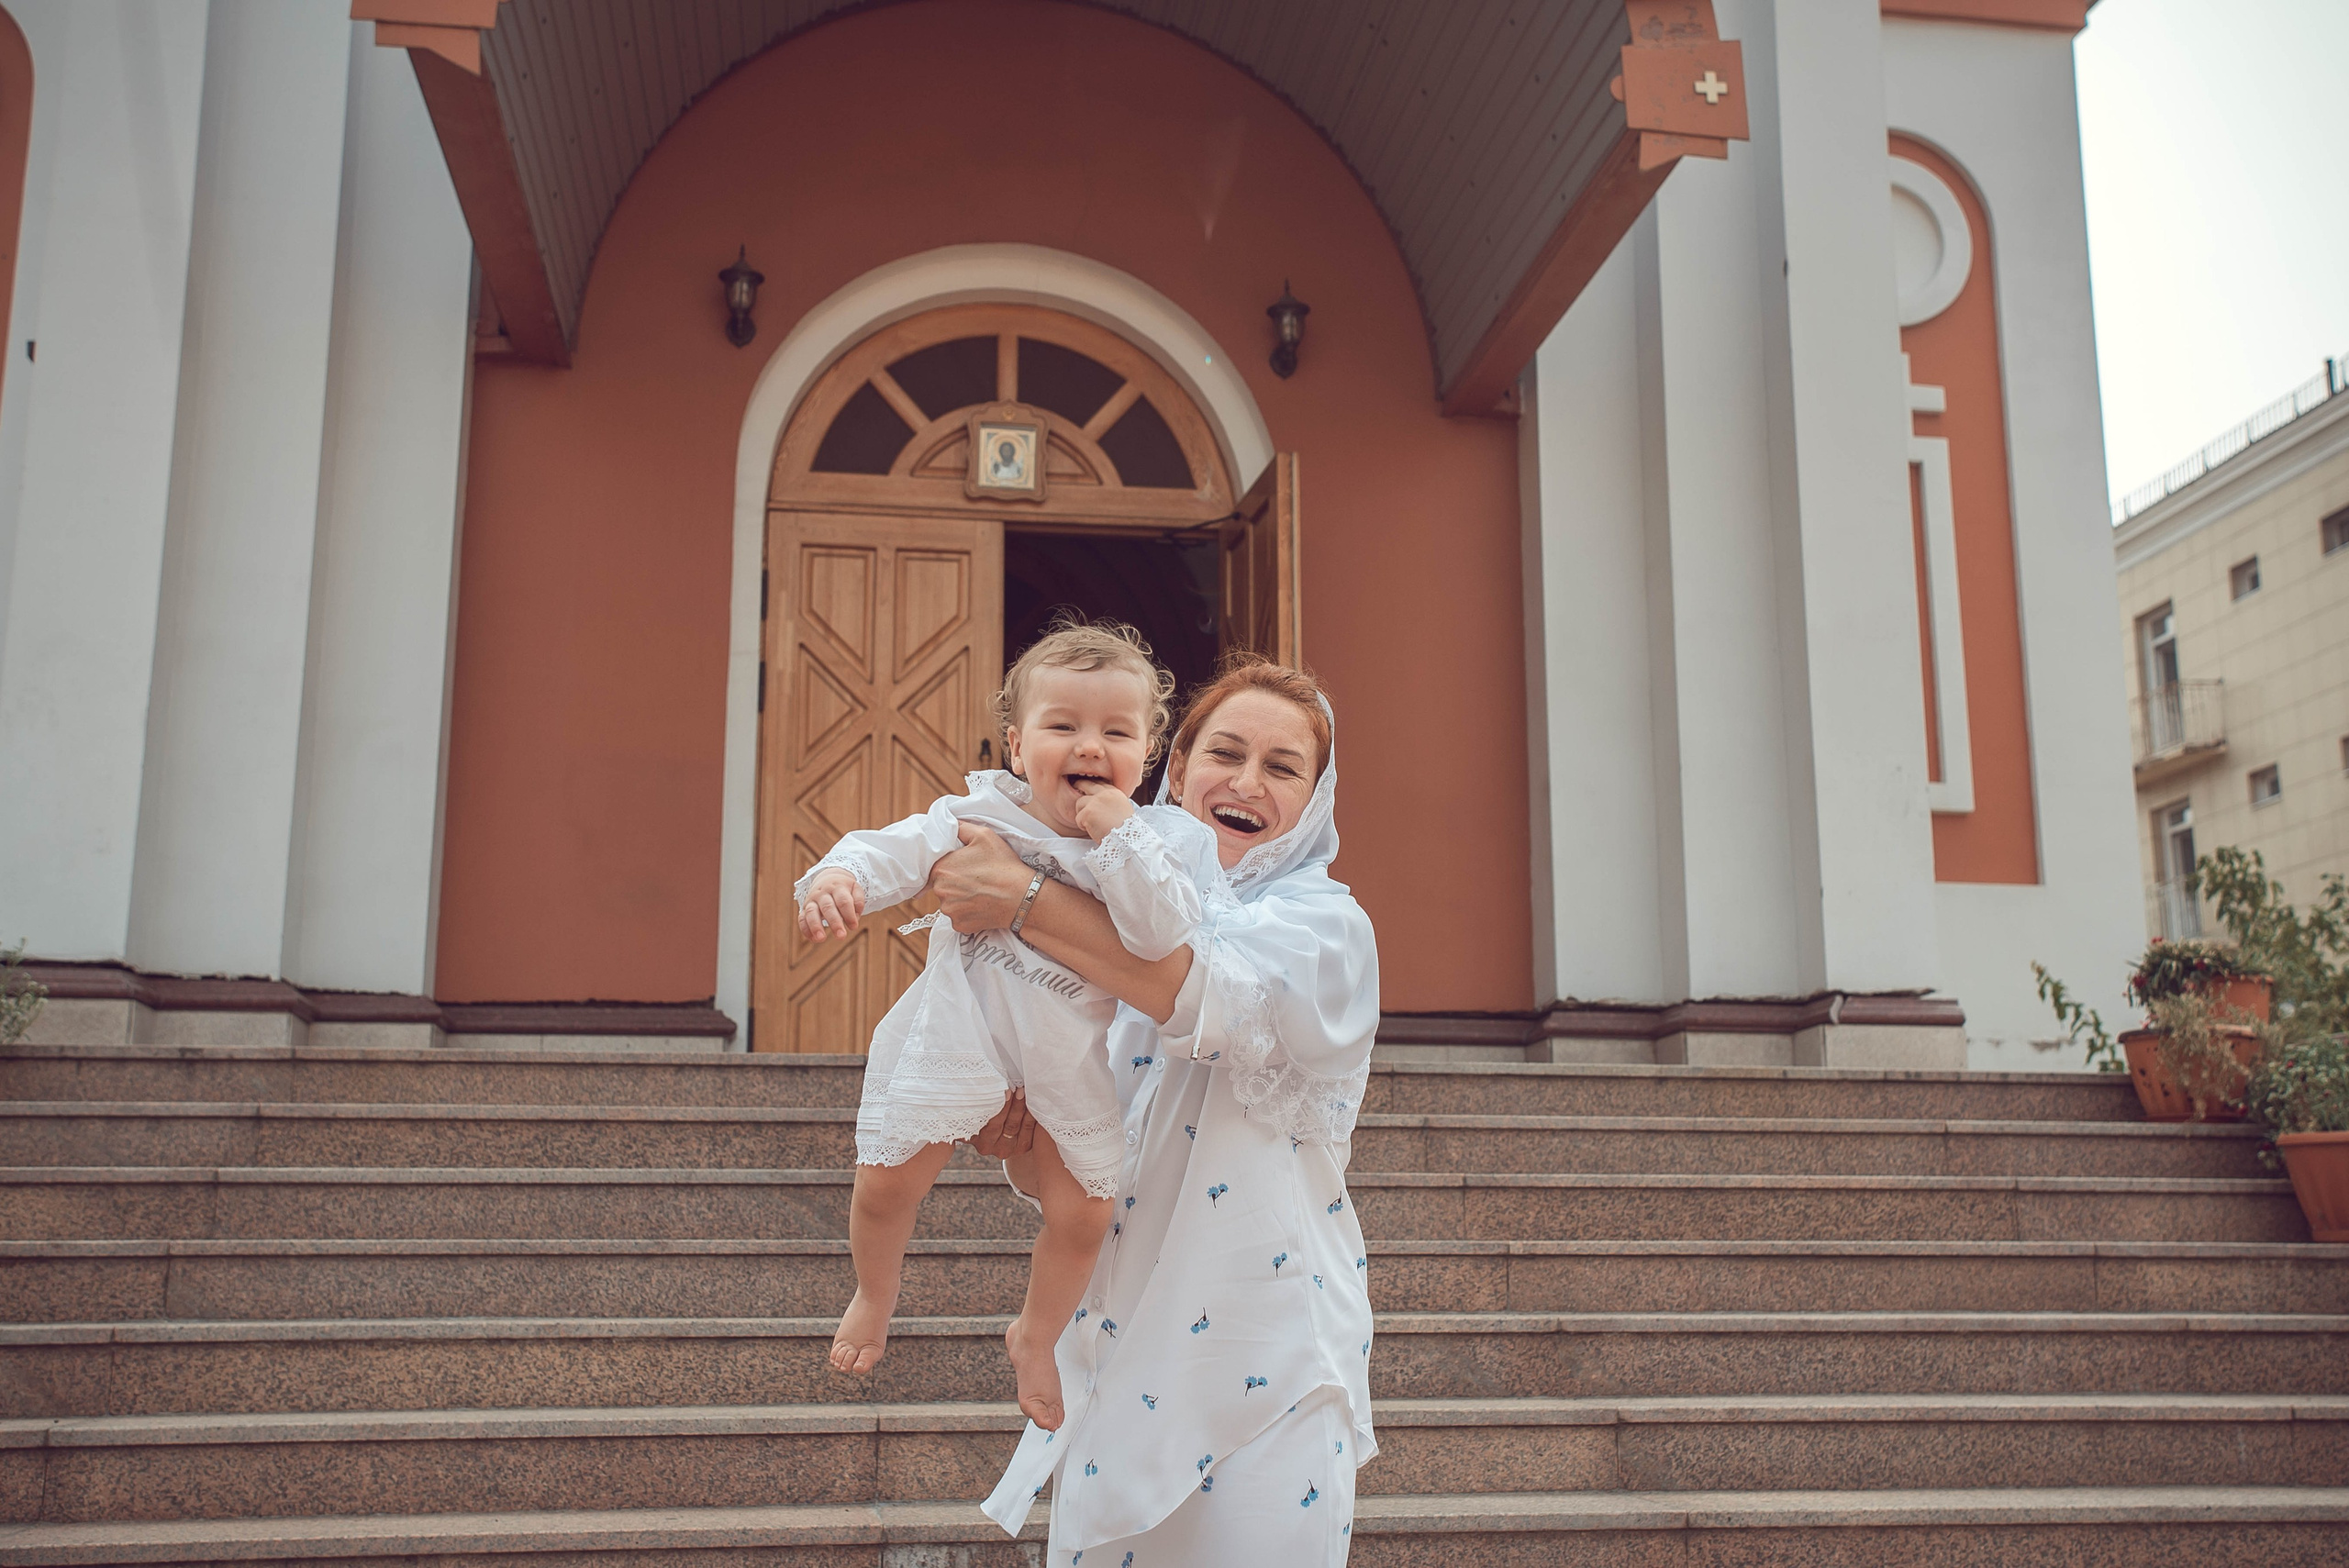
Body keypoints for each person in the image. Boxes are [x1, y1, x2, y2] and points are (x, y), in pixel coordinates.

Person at [937, 656, 1377, 1565]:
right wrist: (1018, 1144)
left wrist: (1025, 899)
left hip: (1268, 1358)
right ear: (1174, 770)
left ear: (1316, 798)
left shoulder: (1327, 929)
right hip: (1122, 1354)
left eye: (1283, 766)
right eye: (1225, 751)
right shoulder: (1113, 913)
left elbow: (1204, 992)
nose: (1246, 782)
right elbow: (1094, 1146)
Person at [796, 621, 1222, 1430]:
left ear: (1149, 756)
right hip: (957, 1036)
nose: (1088, 745)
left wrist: (1118, 835)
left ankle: (1035, 1332)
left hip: (1062, 1061)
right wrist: (840, 877)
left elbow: (1162, 934)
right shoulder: (980, 811)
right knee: (888, 1184)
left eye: (1116, 732)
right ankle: (874, 1294)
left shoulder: (1154, 845)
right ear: (1019, 748)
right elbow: (895, 848)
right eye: (1063, 725)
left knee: (1087, 1211)